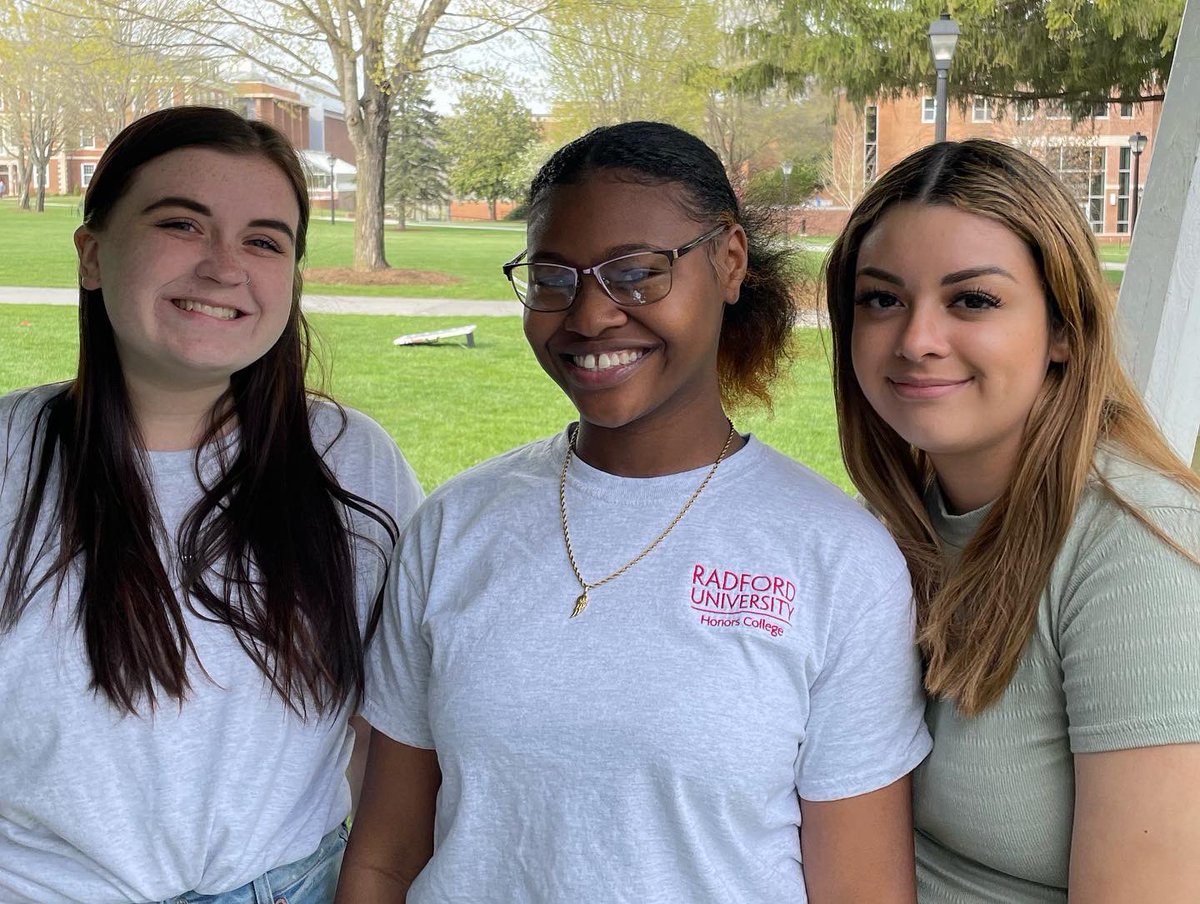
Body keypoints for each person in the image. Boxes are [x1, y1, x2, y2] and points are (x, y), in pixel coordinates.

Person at [336, 121, 931, 903]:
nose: (588, 316)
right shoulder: (453, 527)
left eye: (636, 274)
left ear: (729, 262)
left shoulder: (836, 559)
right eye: (553, 278)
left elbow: (863, 891)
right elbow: (385, 855)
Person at [0, 107, 424, 903]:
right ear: (92, 254)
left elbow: (393, 725)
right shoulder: (9, 458)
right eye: (182, 224)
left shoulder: (353, 462)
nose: (226, 266)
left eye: (265, 240)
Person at [825, 138, 1200, 903]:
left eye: (973, 300)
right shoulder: (892, 525)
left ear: (1064, 330)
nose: (916, 340)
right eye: (881, 299)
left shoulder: (1140, 551)